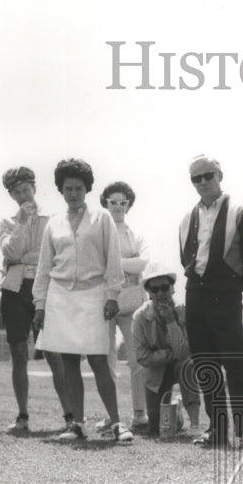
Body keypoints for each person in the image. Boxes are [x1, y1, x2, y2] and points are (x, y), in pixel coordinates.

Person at [32, 158, 132, 443]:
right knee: (69, 363)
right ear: (61, 190)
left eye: (78, 188)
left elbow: (113, 260)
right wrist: (40, 305)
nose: (73, 193)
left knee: (100, 361)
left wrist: (112, 295)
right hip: (60, 297)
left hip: (94, 295)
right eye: (68, 188)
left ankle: (116, 423)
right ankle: (77, 425)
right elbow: (44, 268)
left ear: (87, 189)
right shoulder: (53, 223)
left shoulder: (102, 219)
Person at [179, 156, 243, 448]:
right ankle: (216, 429)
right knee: (205, 363)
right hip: (195, 294)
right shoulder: (187, 217)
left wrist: (234, 287)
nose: (203, 182)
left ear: (220, 174)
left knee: (235, 364)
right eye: (196, 178)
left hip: (225, 294)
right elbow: (185, 258)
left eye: (208, 175)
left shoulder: (240, 212)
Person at [0, 166, 71, 435]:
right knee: (19, 354)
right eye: (15, 192)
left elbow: (50, 256)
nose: (22, 195)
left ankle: (70, 415)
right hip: (14, 290)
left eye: (25, 189)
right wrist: (20, 222)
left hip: (45, 288)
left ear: (34, 188)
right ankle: (23, 415)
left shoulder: (53, 218)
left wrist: (22, 258)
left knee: (54, 353)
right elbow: (12, 251)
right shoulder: (8, 221)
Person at [99, 181, 149, 430]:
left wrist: (114, 263)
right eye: (113, 202)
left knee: (136, 358)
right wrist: (127, 262)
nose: (118, 207)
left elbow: (143, 263)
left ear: (129, 205)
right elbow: (96, 264)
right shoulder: (98, 231)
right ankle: (113, 416)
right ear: (105, 203)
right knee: (106, 358)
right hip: (105, 301)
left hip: (131, 302)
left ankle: (140, 412)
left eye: (123, 202)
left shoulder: (135, 234)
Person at [130, 266, 201, 436]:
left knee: (188, 366)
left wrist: (171, 321)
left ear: (172, 288)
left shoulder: (184, 311)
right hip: (155, 372)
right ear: (149, 292)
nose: (160, 293)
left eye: (164, 287)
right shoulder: (139, 317)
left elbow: (185, 352)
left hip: (180, 366)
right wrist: (171, 354)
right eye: (155, 289)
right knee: (158, 429)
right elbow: (142, 358)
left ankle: (195, 425)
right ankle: (176, 412)